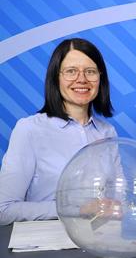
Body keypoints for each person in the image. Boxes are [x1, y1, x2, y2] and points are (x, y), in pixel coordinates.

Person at [0, 38, 117, 225]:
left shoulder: (107, 132)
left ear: (100, 78)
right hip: (45, 248)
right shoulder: (30, 129)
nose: (82, 79)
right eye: (71, 71)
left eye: (90, 71)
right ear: (56, 77)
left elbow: (116, 198)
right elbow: (3, 209)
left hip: (99, 242)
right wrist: (76, 209)